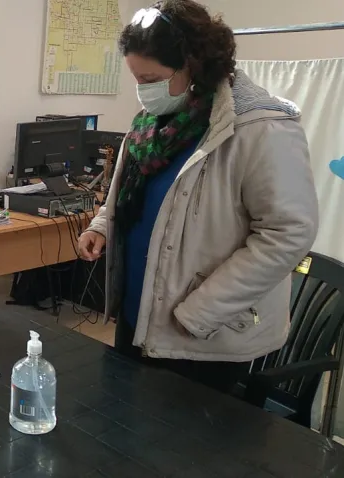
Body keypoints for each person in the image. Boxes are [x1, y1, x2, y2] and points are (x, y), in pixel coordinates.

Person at [78, 0, 319, 393]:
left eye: (150, 79)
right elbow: (132, 191)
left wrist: (200, 312)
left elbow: (288, 234)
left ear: (194, 64)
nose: (143, 92)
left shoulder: (261, 127)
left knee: (178, 431)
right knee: (122, 421)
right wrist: (103, 225)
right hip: (138, 314)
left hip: (201, 333)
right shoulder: (151, 124)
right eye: (137, 79)